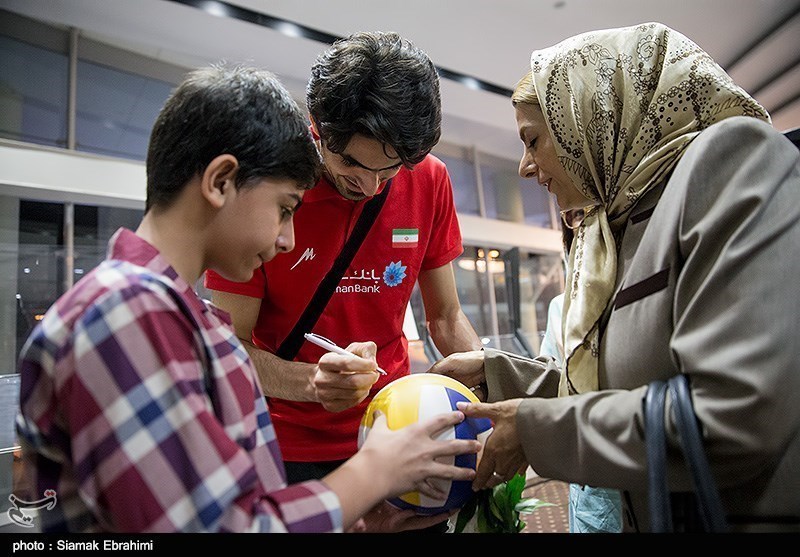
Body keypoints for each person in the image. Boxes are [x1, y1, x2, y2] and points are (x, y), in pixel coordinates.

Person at [14, 63, 480, 533]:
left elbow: (230, 498)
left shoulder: (180, 319)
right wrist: (376, 469)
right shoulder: (124, 317)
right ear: (220, 181)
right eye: (283, 209)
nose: (289, 240)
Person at [429, 22, 800, 532]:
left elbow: (737, 416)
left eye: (533, 140)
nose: (524, 167)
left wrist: (536, 431)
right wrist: (497, 375)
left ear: (589, 119)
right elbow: (623, 389)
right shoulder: (617, 229)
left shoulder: (731, 161)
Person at [204, 32, 481, 532]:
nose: (369, 186)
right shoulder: (268, 187)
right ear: (317, 129)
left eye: (390, 169)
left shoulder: (430, 179)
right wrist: (312, 384)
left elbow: (445, 316)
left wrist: (488, 409)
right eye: (350, 162)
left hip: (395, 431)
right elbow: (227, 347)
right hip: (287, 447)